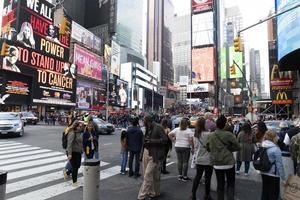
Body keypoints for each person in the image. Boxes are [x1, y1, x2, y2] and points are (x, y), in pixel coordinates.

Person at [206, 115, 240, 200]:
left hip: (217, 162)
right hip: (228, 162)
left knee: (220, 184)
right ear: (225, 125)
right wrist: (229, 149)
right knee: (230, 183)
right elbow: (238, 147)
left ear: (216, 124)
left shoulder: (211, 135)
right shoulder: (229, 134)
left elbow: (207, 148)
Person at [138, 115, 168, 200]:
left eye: (144, 121)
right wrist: (141, 154)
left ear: (148, 121)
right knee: (148, 175)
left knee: (148, 174)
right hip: (146, 152)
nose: (143, 123)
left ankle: (141, 196)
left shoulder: (158, 127)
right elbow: (144, 142)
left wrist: (152, 141)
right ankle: (152, 192)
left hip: (155, 154)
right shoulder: (147, 127)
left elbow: (165, 140)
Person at [191, 117, 213, 200]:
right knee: (208, 178)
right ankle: (207, 195)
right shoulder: (209, 134)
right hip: (208, 159)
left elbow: (195, 146)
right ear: (204, 124)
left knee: (197, 177)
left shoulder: (196, 134)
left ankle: (193, 194)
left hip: (199, 158)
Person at [260, 130, 286, 200]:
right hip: (273, 174)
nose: (278, 137)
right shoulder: (276, 149)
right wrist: (283, 178)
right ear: (273, 137)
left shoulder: (262, 145)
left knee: (265, 192)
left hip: (263, 171)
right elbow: (279, 165)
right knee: (273, 194)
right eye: (277, 136)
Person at [66, 121, 83, 187]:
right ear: (76, 127)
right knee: (75, 167)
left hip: (78, 152)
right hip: (72, 152)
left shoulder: (78, 133)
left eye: (80, 126)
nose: (80, 127)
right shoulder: (72, 133)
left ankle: (67, 173)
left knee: (78, 165)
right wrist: (69, 154)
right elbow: (69, 144)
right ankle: (74, 182)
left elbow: (80, 142)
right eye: (79, 126)